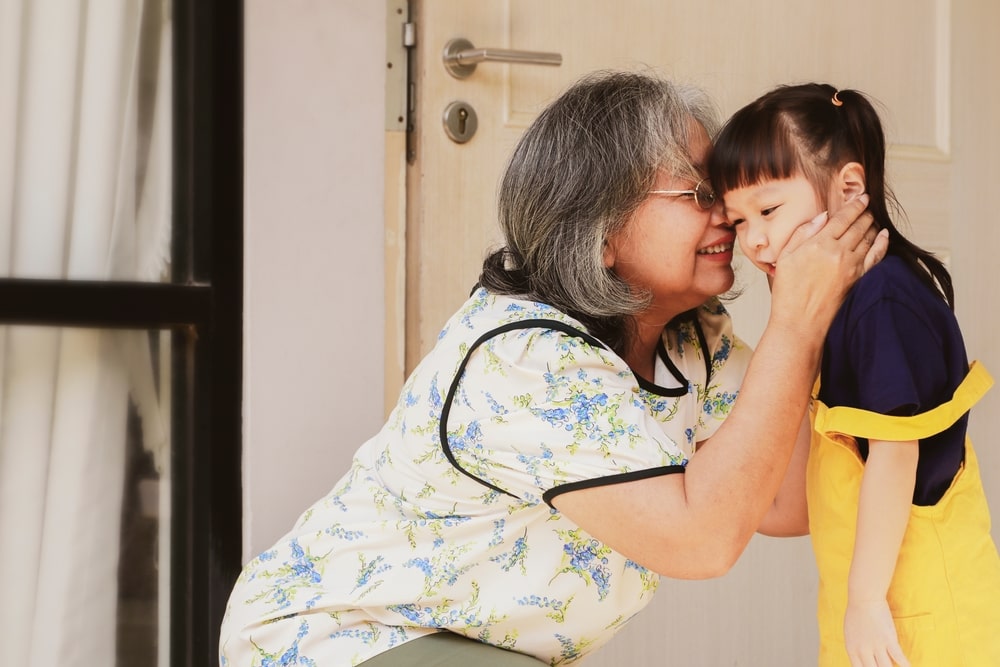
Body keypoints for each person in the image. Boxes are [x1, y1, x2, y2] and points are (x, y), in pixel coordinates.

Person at [219, 71, 884, 667]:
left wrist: (818, 297)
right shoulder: (524, 360)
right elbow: (700, 540)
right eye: (700, 191)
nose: (730, 215)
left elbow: (786, 497)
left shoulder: (693, 341)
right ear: (600, 231)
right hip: (341, 639)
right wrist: (794, 323)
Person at [709, 82, 1000, 667]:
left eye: (768, 210)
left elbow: (897, 452)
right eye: (738, 221)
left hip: (919, 612)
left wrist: (865, 599)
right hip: (870, 602)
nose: (754, 240)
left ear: (848, 189)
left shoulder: (882, 299)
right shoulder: (835, 305)